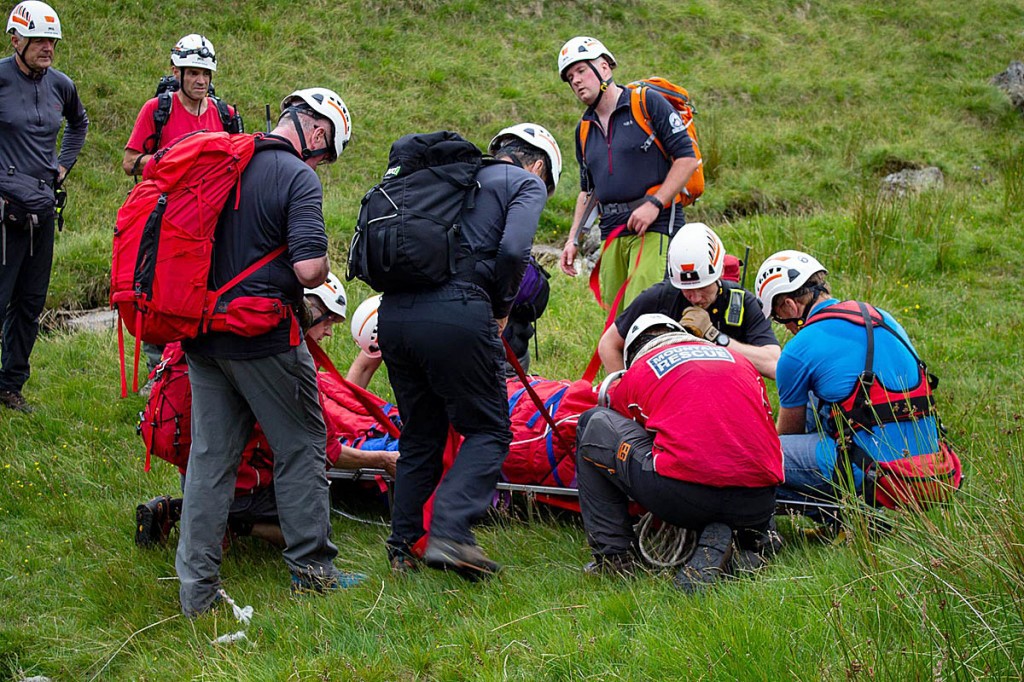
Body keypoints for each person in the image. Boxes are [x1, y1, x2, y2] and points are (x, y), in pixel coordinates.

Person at [175, 87, 357, 617]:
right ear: (317, 133)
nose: (320, 164)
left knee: (210, 462)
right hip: (262, 336)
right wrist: (322, 267)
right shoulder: (296, 177)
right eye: (326, 155)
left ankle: (197, 593)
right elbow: (307, 271)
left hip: (202, 336)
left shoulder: (223, 159)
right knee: (301, 444)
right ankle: (314, 573)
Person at [378, 123, 558, 580]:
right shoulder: (523, 182)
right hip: (458, 312)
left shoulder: (448, 179)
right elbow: (514, 249)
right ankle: (450, 533)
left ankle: (401, 548)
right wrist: (500, 307)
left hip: (394, 314)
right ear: (538, 166)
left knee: (421, 434)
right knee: (490, 430)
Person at [136, 275, 399, 550]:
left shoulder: (203, 332)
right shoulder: (282, 361)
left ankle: (194, 509)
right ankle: (233, 521)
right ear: (307, 311)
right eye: (329, 321)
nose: (330, 333)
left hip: (194, 471)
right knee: (306, 529)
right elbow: (325, 450)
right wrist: (382, 459)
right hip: (240, 480)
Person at [575, 314, 784, 592]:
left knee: (594, 425)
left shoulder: (640, 370)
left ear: (634, 351)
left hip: (685, 498)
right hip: (761, 501)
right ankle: (749, 539)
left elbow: (627, 428)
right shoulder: (741, 362)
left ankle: (614, 559)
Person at [754, 250, 957, 507]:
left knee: (761, 455)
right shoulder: (883, 318)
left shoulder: (798, 351)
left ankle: (840, 515)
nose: (786, 326)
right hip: (933, 465)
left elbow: (786, 435)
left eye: (779, 318)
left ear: (789, 306)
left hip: (878, 471)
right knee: (822, 395)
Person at [122, 34, 240, 393]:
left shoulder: (225, 114)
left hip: (212, 220)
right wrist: (168, 161)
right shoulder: (157, 110)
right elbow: (129, 163)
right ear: (177, 71)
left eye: (205, 73)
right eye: (192, 73)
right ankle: (156, 372)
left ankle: (197, 370)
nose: (200, 80)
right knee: (161, 294)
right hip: (166, 219)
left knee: (204, 292)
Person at [557, 36, 699, 310]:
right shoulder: (584, 129)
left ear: (605, 68)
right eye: (570, 76)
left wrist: (655, 204)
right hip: (612, 232)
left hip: (655, 228)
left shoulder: (647, 103)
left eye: (582, 70)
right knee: (615, 319)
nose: (575, 80)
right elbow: (588, 191)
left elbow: (687, 159)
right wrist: (574, 238)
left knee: (644, 313)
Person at [0, 1, 88, 413]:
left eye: (51, 41)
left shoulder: (60, 84)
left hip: (42, 210)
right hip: (3, 212)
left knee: (31, 303)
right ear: (16, 39)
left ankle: (10, 386)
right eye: (38, 40)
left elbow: (78, 123)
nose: (47, 48)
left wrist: (62, 166)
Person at [597, 223, 780, 378]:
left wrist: (714, 336)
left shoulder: (741, 302)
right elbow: (608, 344)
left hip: (727, 392)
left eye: (703, 287)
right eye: (687, 289)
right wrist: (625, 391)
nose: (696, 297)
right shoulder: (660, 297)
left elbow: (774, 364)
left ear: (720, 273)